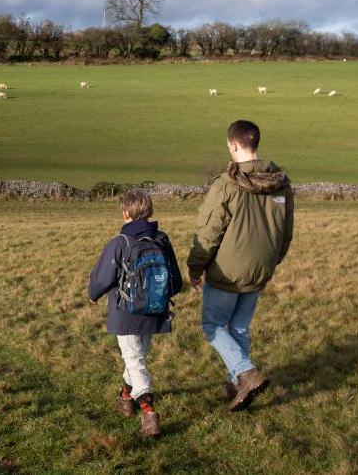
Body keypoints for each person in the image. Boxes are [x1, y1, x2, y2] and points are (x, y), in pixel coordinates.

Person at [187, 120, 294, 411]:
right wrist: (270, 262)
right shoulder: (281, 184)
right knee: (239, 327)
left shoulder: (226, 185)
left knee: (212, 326)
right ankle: (237, 385)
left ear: (232, 145)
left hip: (227, 273)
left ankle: (246, 374)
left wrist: (195, 268)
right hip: (260, 270)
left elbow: (209, 234)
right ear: (255, 143)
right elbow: (286, 234)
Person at [88, 189, 183, 438]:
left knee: (134, 360)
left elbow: (102, 277)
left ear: (125, 213)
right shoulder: (162, 239)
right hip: (155, 312)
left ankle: (149, 414)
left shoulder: (120, 242)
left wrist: (93, 294)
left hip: (125, 313)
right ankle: (124, 398)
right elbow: (176, 280)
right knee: (136, 358)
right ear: (149, 212)